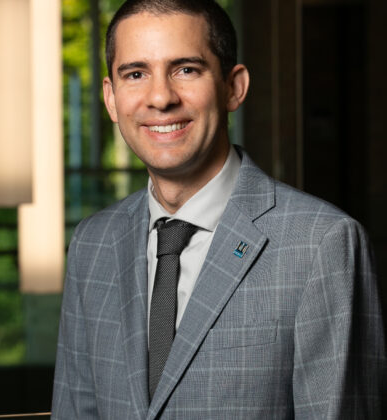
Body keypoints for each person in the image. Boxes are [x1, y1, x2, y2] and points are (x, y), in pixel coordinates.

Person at [51, 0, 386, 418]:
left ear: (234, 87)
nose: (160, 97)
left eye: (186, 70)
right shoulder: (92, 243)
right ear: (111, 98)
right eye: (136, 74)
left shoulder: (322, 244)